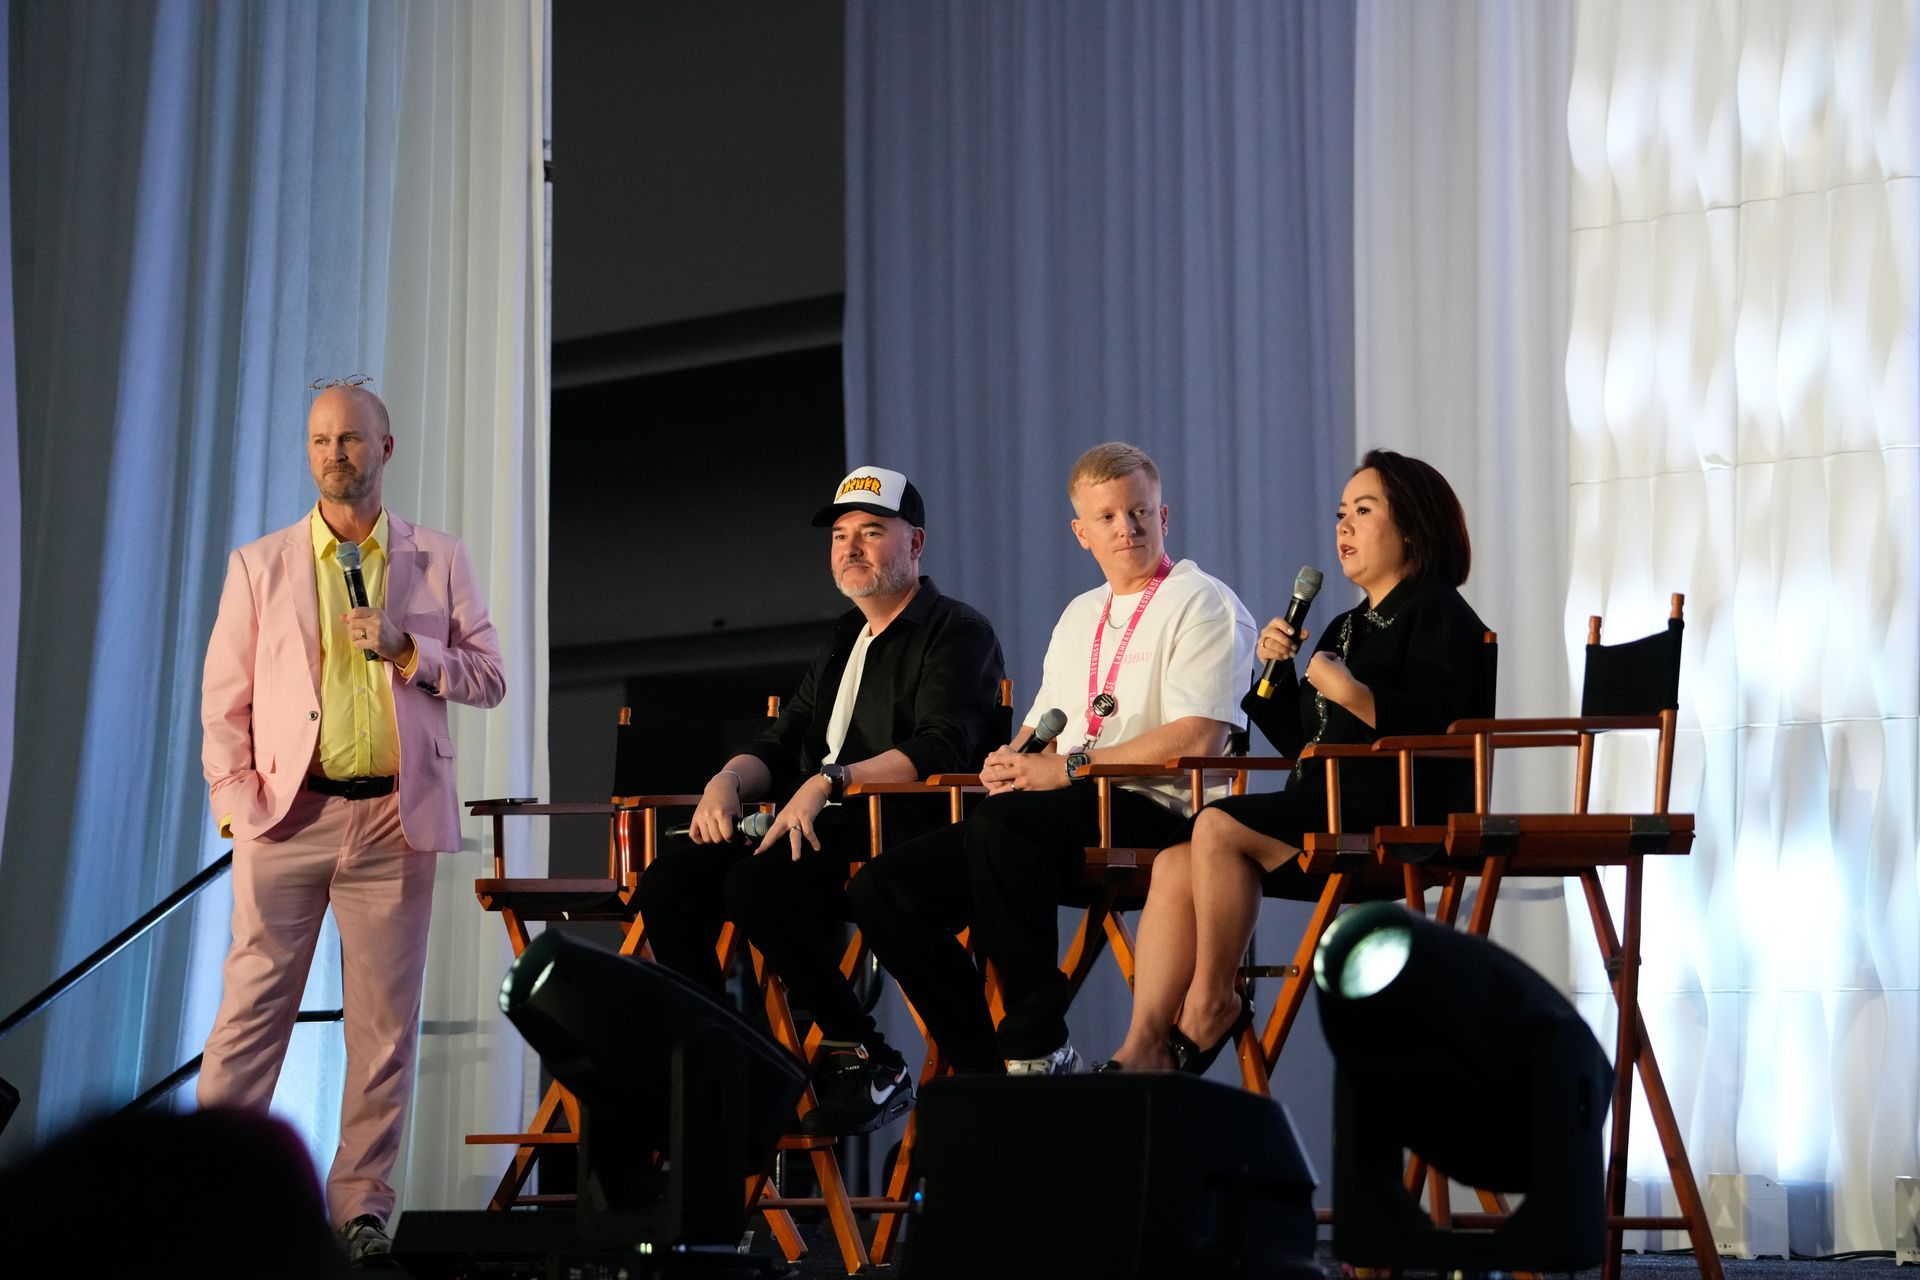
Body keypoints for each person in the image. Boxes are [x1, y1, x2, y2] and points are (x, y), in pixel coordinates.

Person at [198, 381, 506, 1267]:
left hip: (391, 821)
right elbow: (225, 704)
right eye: (322, 440)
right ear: (309, 453)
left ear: (386, 449)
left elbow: (487, 676)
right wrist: (236, 807)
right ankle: (215, 1197)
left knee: (382, 1029)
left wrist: (411, 652)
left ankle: (359, 1214)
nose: (336, 454)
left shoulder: (437, 558)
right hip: (288, 818)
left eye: (352, 440)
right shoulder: (260, 565)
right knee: (250, 1017)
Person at [848, 442, 1256, 1075]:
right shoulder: (1079, 614)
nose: (1128, 528)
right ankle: (983, 1069)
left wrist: (1065, 770)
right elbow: (1044, 727)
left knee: (1004, 826)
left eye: (1141, 512)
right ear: (1081, 533)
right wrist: (1010, 760)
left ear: (1164, 516)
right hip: (1063, 813)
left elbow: (1197, 741)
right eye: (1110, 517)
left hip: (1163, 811)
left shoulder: (1203, 601)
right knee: (881, 889)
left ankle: (1037, 1039)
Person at [636, 466, 1005, 1135]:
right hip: (814, 827)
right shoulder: (844, 641)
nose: (852, 547)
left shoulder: (956, 631)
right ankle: (728, 1067)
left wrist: (832, 780)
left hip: (903, 829)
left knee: (756, 885)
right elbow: (780, 744)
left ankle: (864, 1056)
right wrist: (726, 782)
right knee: (670, 883)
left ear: (915, 543)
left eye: (871, 531)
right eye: (841, 535)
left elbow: (942, 749)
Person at [1103, 448, 1489, 1073]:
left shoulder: (1440, 611)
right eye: (1341, 513)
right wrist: (1277, 676)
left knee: (1218, 826)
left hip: (1399, 807)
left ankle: (1210, 1002)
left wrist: (1348, 692)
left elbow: (1439, 724)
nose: (1344, 527)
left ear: (1415, 526)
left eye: (1363, 511)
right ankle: (1145, 1040)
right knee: (1177, 857)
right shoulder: (1342, 626)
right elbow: (1304, 746)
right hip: (1331, 797)